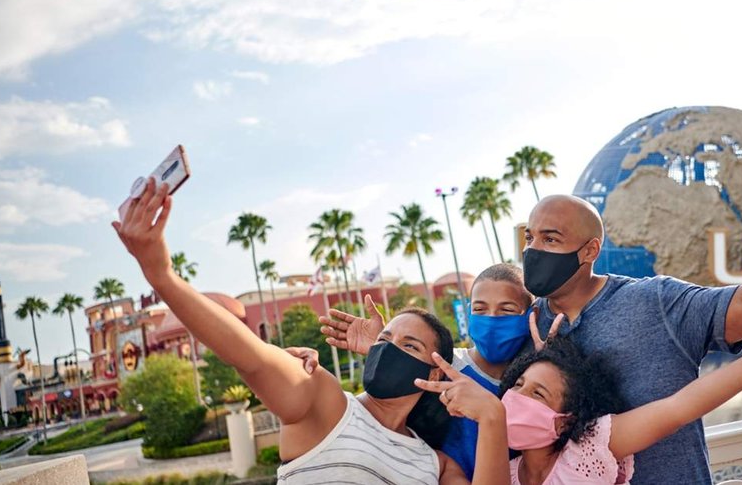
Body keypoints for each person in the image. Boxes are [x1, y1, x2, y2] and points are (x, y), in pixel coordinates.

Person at [111, 178, 507, 484]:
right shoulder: (326, 403)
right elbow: (247, 353)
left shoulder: (434, 463)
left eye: (408, 344)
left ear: (436, 372)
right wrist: (161, 275)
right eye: (384, 339)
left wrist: (492, 416)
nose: (387, 348)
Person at [523, 174, 742, 483]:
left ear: (591, 250)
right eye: (530, 237)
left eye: (550, 239)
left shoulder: (655, 301)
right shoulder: (523, 324)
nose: (534, 250)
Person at [415, 314, 742, 485]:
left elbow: (678, 407)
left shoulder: (590, 446)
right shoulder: (506, 468)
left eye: (537, 392)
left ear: (564, 419)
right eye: (516, 386)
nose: (516, 397)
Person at [319, 263, 550, 479]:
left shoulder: (533, 385)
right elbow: (377, 408)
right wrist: (386, 348)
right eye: (480, 309)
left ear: (532, 315)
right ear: (469, 312)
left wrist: (550, 362)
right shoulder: (441, 367)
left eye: (506, 310)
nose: (491, 318)